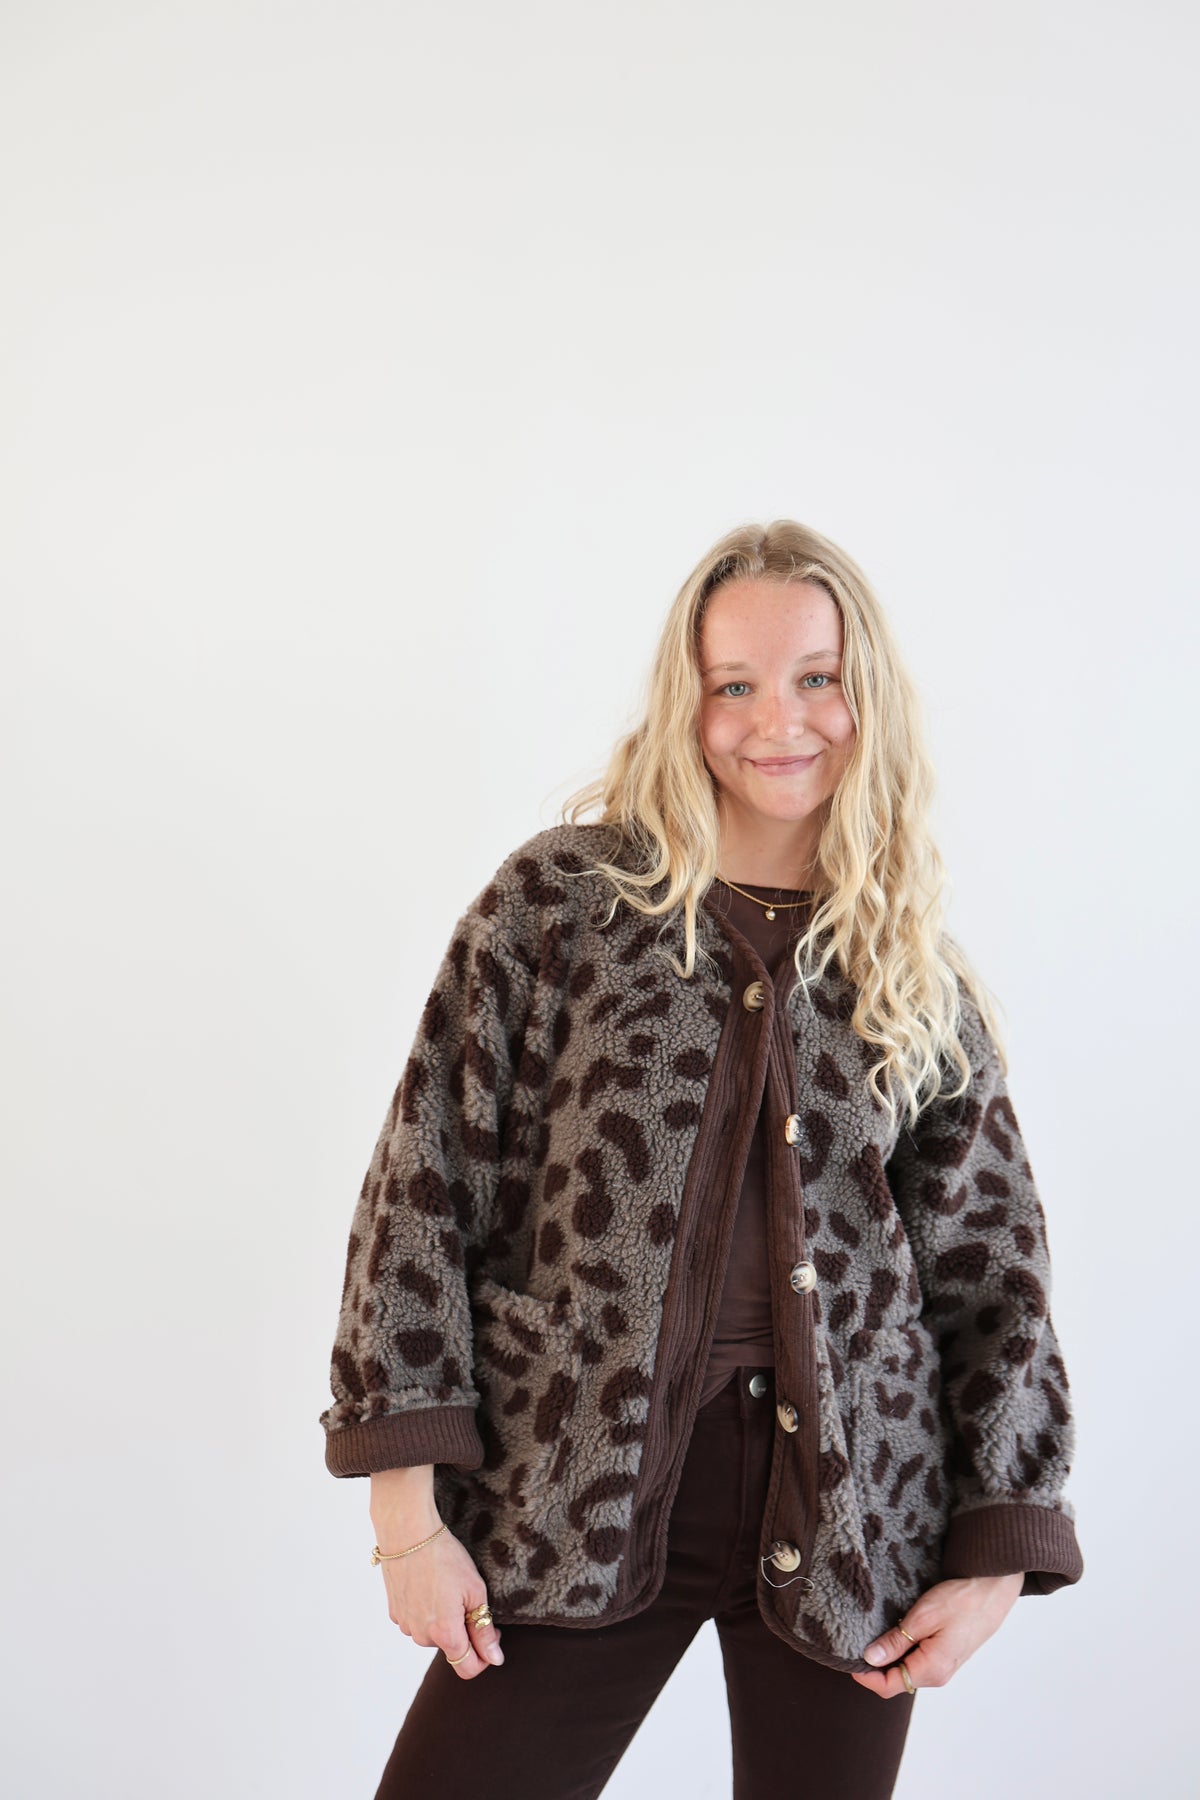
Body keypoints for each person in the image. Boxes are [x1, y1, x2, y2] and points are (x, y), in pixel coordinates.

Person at [319, 519, 1084, 1800]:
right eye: (735, 683)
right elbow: (422, 1193)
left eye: (816, 677)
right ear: (689, 700)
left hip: (850, 1521)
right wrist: (407, 1518)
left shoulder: (911, 969)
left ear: (869, 695)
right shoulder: (560, 907)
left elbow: (991, 1272)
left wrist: (1001, 1549)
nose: (777, 719)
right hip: (573, 1488)